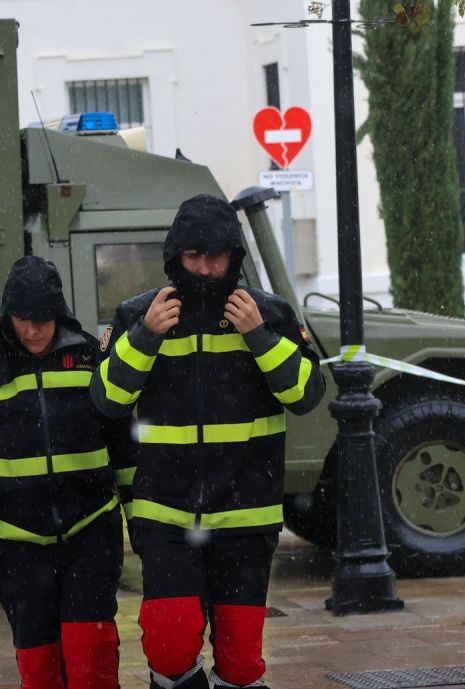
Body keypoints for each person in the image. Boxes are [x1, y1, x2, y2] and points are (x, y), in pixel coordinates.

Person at [90, 194, 325, 689]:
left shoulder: (269, 314)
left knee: (241, 664)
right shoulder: (141, 313)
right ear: (175, 256)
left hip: (247, 514)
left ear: (233, 256)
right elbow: (108, 400)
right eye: (193, 256)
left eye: (215, 256)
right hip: (166, 515)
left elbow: (305, 395)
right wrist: (145, 337)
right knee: (171, 650)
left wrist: (259, 337)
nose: (203, 268)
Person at [0, 255, 134, 689]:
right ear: (8, 316)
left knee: (91, 663)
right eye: (22, 319)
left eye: (42, 319)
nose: (32, 330)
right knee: (38, 670)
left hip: (90, 533)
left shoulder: (91, 360)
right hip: (16, 547)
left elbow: (123, 448)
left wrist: (141, 521)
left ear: (59, 313)